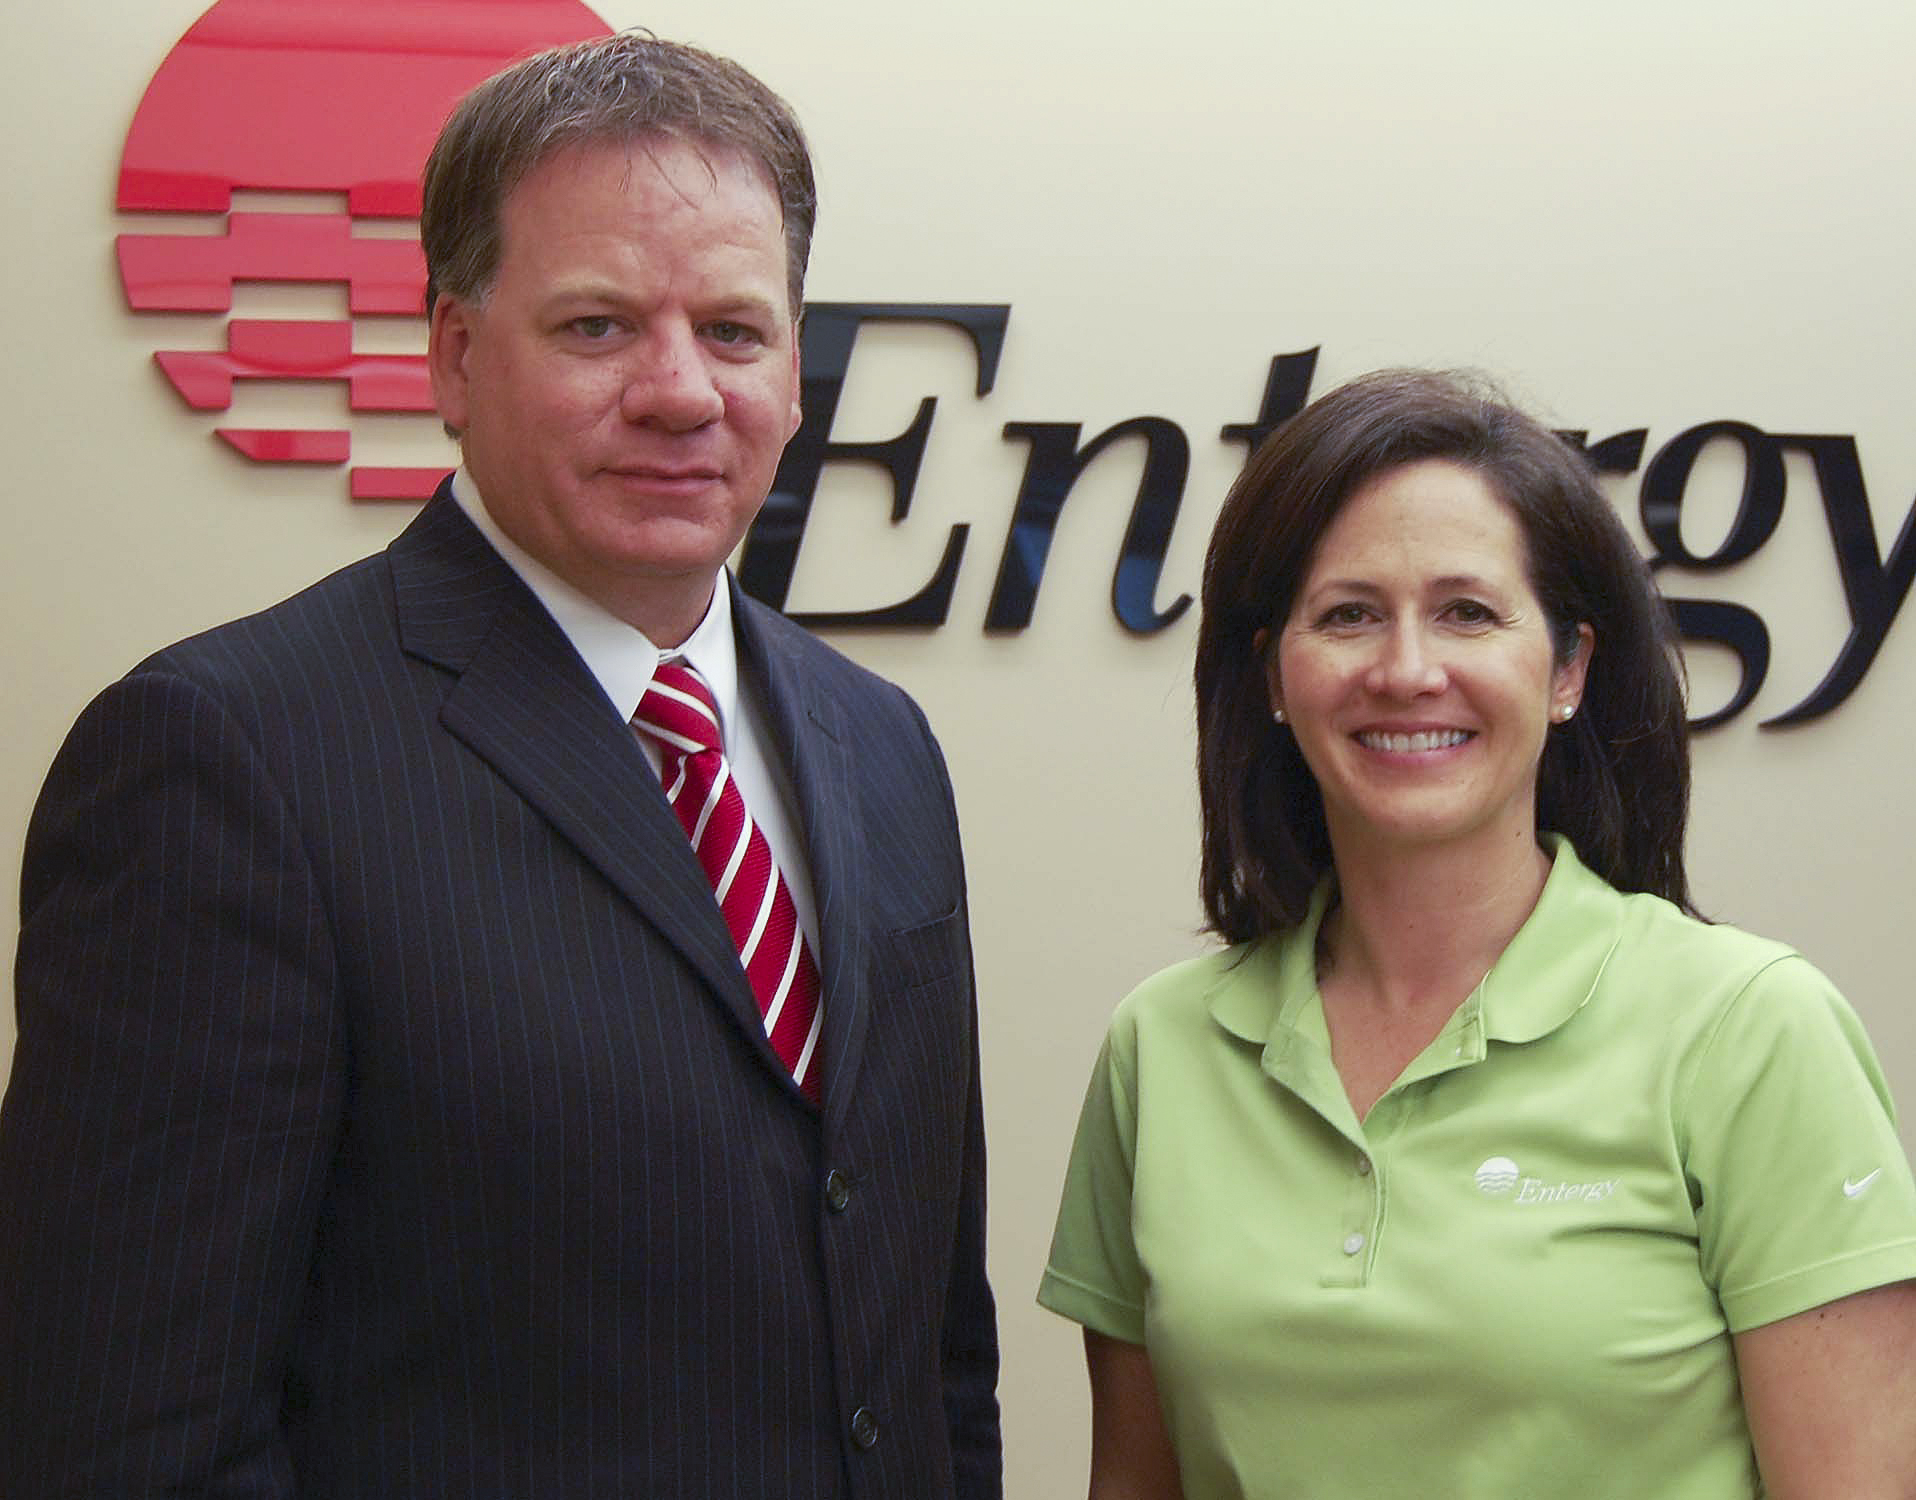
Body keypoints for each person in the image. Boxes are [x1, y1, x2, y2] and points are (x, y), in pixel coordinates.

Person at [0, 33, 999, 1499]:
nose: (680, 391)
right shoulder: (225, 758)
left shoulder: (884, 744)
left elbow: (932, 1356)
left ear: (795, 365)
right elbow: (123, 1434)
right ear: (456, 357)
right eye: (598, 327)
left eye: (734, 330)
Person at [1038, 368, 1916, 1498]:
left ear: (1565, 669)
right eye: (1347, 613)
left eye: (1467, 611)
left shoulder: (1750, 1030)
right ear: (1270, 674)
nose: (1407, 671)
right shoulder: (1159, 1049)